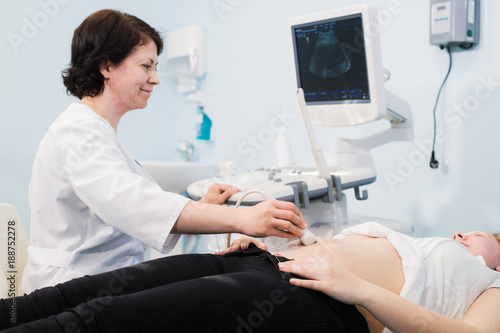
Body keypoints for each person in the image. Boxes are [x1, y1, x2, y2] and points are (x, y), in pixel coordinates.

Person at [21, 9, 307, 294]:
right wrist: (244, 219)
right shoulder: (79, 131)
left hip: (100, 283)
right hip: (70, 290)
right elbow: (135, 206)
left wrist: (204, 208)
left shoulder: (99, 132)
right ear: (107, 67)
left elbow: (134, 218)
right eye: (146, 66)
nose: (156, 79)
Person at [2, 222, 499, 332]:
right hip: (266, 263)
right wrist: (279, 244)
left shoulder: (491, 288)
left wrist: (358, 289)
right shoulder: (423, 238)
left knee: (108, 319)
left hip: (324, 300)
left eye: (479, 237)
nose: (462, 233)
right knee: (69, 296)